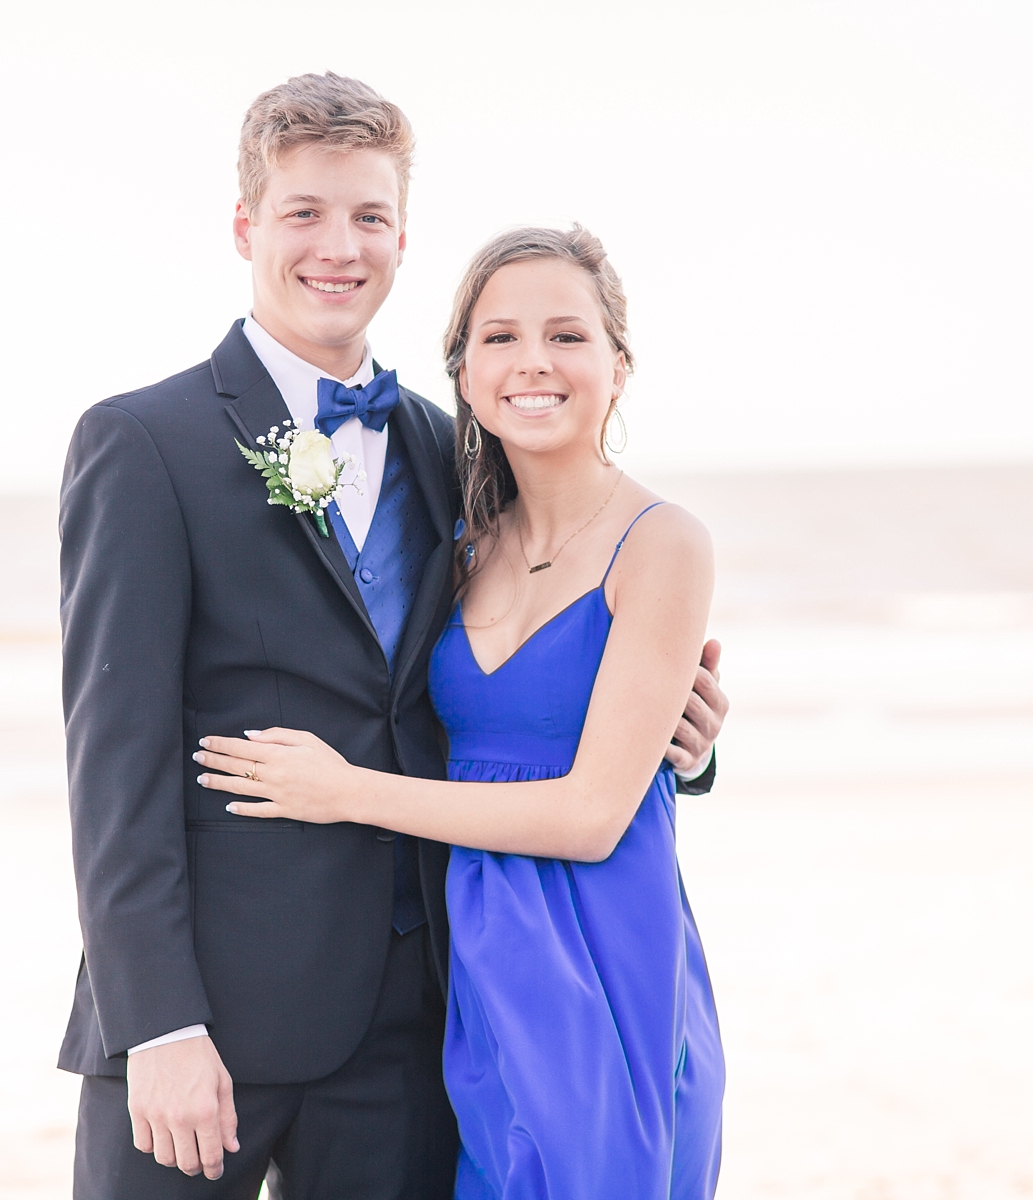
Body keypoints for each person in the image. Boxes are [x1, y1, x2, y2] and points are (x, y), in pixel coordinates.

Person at [57, 74, 728, 1198]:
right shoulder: (144, 442)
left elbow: (514, 679)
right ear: (246, 228)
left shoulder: (446, 452)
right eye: (305, 212)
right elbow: (111, 762)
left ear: (403, 238)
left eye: (368, 216)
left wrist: (684, 741)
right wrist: (157, 1023)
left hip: (419, 1024)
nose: (338, 246)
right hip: (204, 1028)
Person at [197, 225, 724, 1198]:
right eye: (500, 338)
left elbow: (589, 813)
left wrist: (349, 792)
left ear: (619, 365)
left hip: (599, 964)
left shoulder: (663, 544)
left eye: (567, 336)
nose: (534, 362)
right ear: (466, 375)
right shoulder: (462, 545)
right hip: (469, 968)